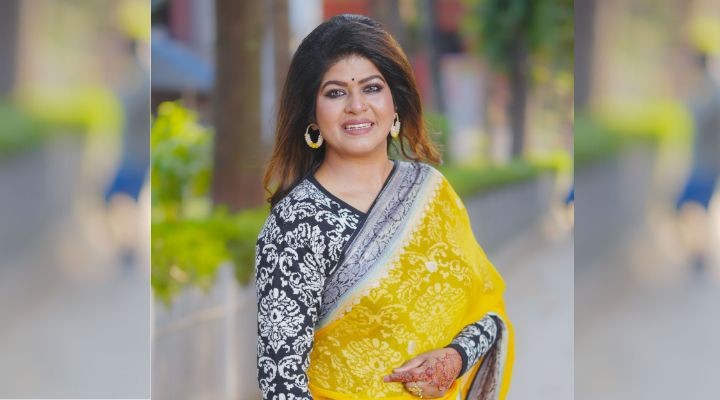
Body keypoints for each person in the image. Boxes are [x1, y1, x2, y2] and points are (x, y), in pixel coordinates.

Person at [255, 14, 513, 399]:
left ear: (395, 103)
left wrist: (455, 358)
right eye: (336, 93)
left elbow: (488, 316)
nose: (357, 106)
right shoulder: (296, 222)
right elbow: (280, 382)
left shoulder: (431, 192)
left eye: (372, 88)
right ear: (312, 113)